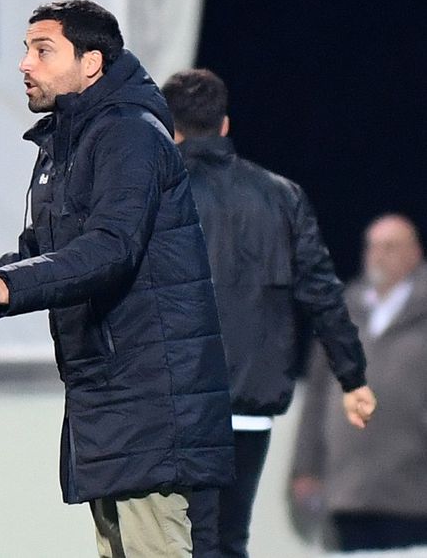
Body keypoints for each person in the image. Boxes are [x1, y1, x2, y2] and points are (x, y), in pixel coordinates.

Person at [0, 0, 234, 557]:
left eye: (42, 50)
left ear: (92, 64)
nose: (24, 64)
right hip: (107, 395)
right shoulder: (68, 141)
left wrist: (10, 285)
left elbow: (111, 249)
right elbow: (35, 256)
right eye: (25, 49)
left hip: (149, 397)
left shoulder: (129, 135)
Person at [159, 68, 376, 557]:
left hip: (179, 400)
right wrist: (353, 377)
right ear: (225, 125)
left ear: (170, 128)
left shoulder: (158, 195)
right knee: (231, 538)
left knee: (184, 541)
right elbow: (321, 290)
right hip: (251, 399)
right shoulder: (281, 196)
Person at [290, 214, 427, 553]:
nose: (378, 255)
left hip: (412, 492)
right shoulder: (343, 310)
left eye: (390, 246)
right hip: (347, 489)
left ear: (415, 253)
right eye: (373, 246)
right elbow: (317, 398)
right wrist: (305, 468)